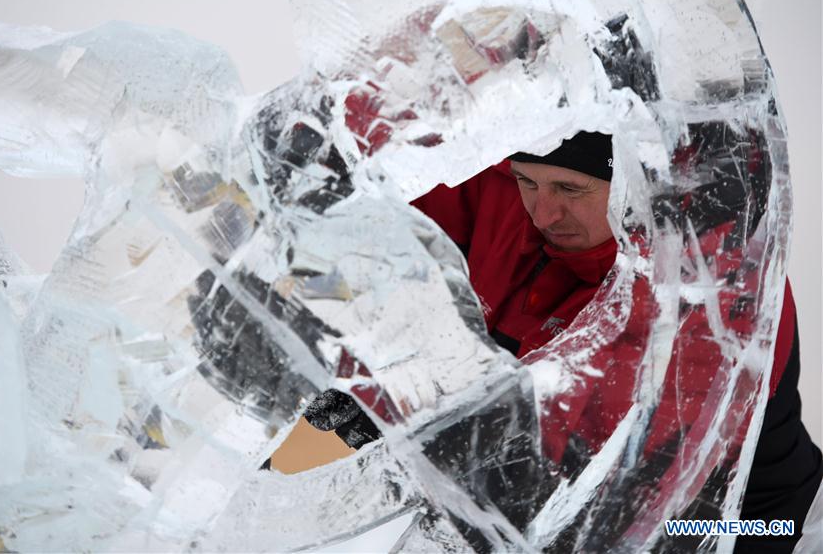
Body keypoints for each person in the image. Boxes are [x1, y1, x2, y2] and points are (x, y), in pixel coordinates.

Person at [303, 130, 820, 551]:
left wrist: (409, 409)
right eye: (528, 181)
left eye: (572, 191)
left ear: (635, 189)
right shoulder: (522, 178)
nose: (543, 213)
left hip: (730, 527)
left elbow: (563, 483)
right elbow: (370, 230)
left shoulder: (706, 294)